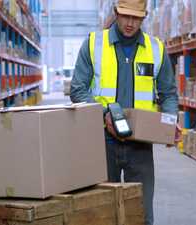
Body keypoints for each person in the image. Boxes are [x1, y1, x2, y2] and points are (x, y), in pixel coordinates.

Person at [70, 0, 178, 224]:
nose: (130, 23)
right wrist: (104, 114)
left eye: (136, 18)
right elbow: (77, 90)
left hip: (140, 144)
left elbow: (168, 93)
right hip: (102, 142)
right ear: (116, 12)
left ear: (144, 16)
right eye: (126, 16)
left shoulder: (156, 48)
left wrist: (169, 121)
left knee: (141, 213)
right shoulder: (93, 44)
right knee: (101, 211)